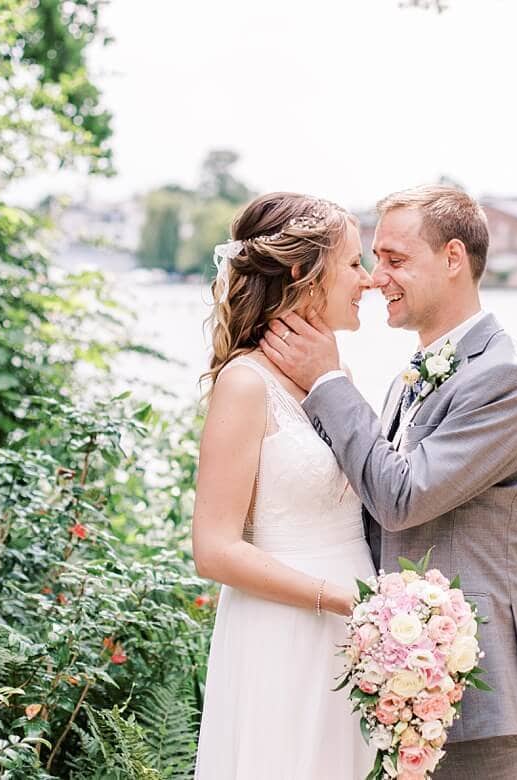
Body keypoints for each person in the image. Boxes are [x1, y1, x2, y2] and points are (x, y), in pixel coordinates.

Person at [261, 185, 517, 779]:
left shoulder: (507, 377)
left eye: (395, 260)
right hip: (401, 690)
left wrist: (326, 383)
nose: (375, 278)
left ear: (453, 258)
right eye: (372, 259)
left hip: (486, 701)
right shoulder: (408, 378)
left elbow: (401, 498)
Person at [192, 192, 375, 778]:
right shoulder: (246, 384)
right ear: (303, 272)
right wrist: (346, 600)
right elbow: (213, 550)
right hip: (285, 633)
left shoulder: (336, 376)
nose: (368, 280)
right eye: (353, 263)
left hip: (359, 637)